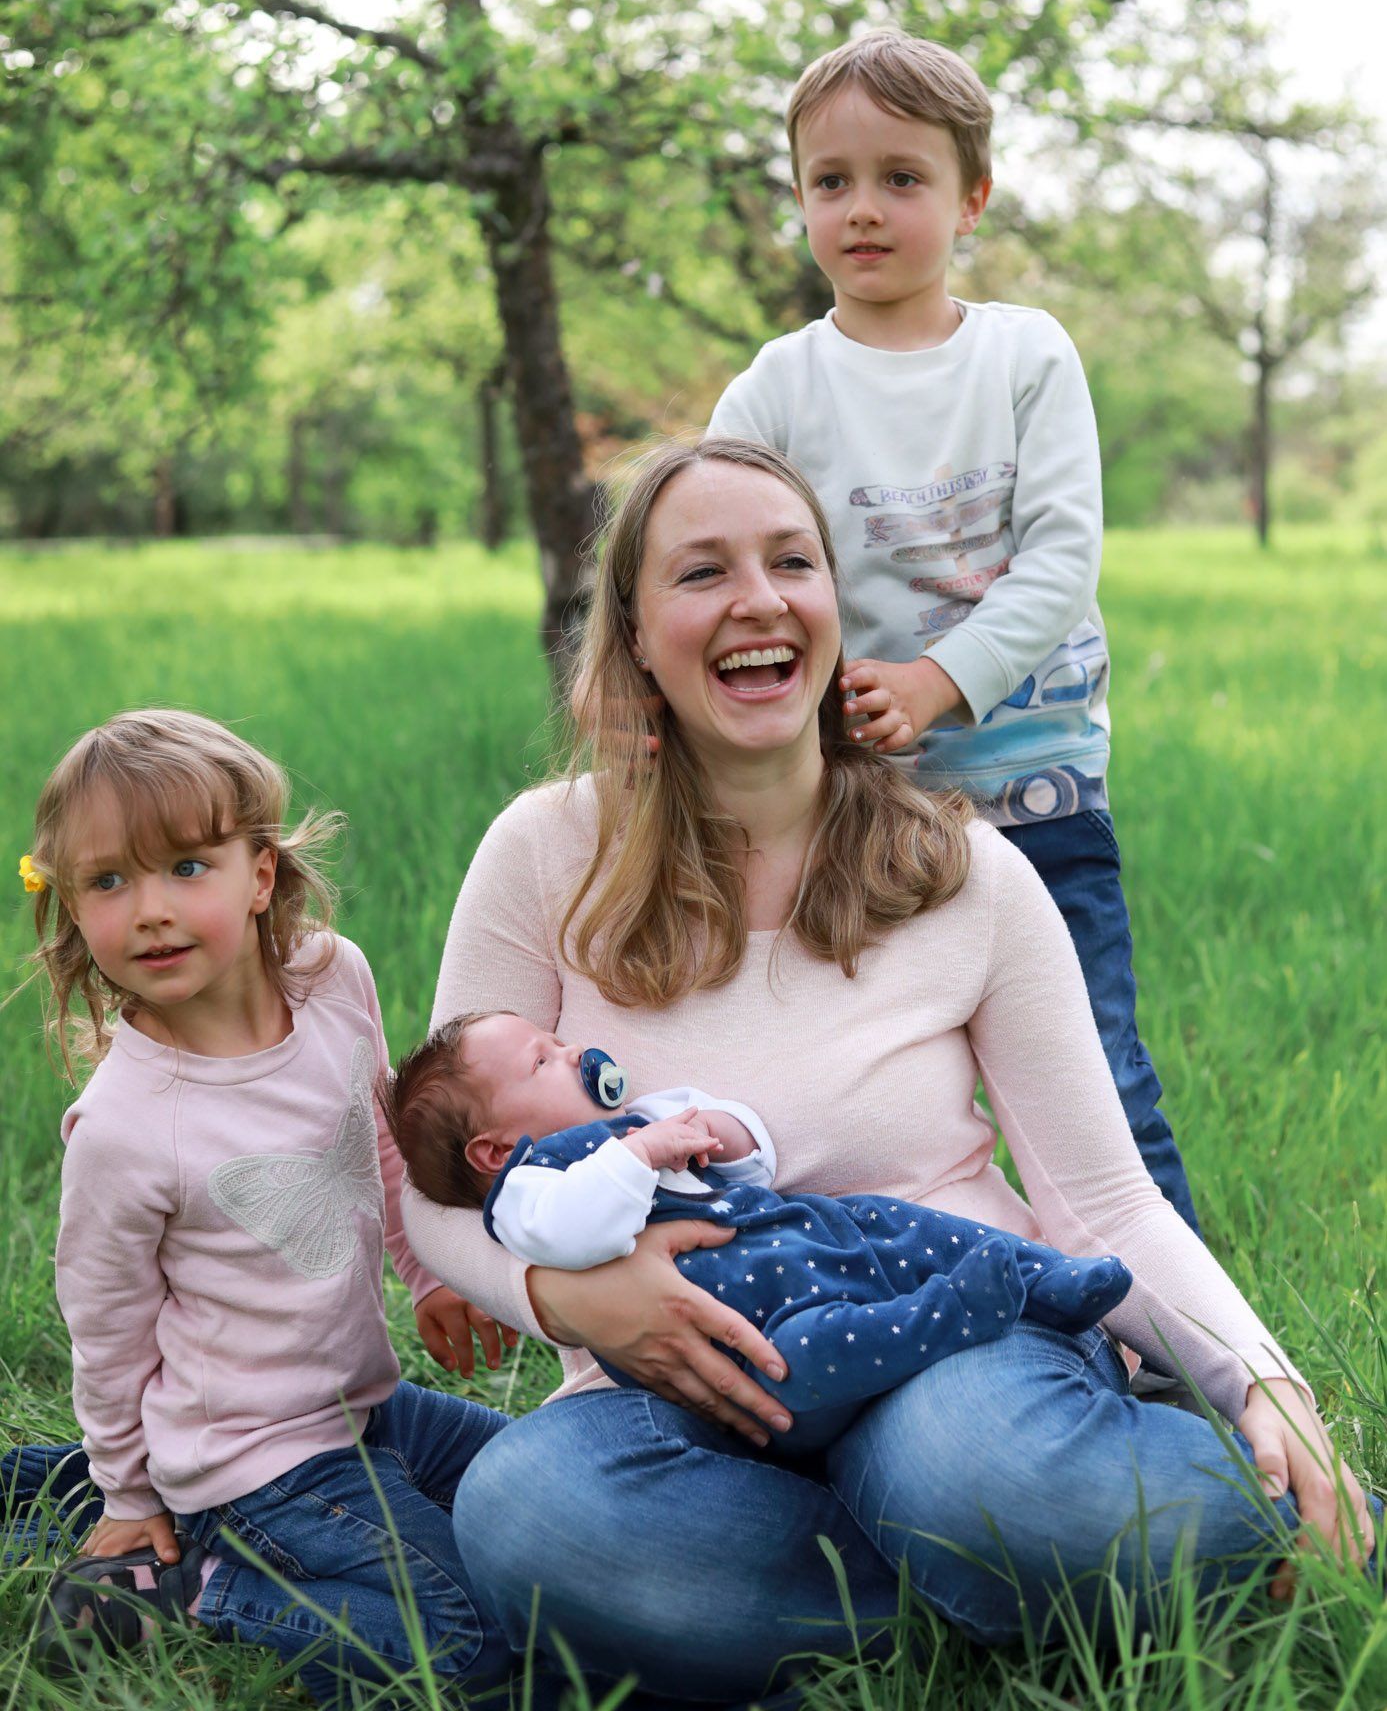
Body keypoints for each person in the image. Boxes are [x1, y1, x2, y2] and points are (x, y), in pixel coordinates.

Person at [401, 438, 1375, 1705]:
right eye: (702, 572)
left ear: (831, 606)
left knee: (975, 1473)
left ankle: (1197, 1520)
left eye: (790, 562)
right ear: (635, 633)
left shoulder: (961, 870)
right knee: (530, 1514)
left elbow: (1105, 1199)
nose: (757, 599)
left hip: (948, 1345)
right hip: (678, 1392)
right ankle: (991, 1605)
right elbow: (436, 1175)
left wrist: (1273, 1390)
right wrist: (565, 1302)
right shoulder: (544, 852)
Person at [706, 28, 1201, 1237]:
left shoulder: (1022, 354)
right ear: (800, 200)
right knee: (870, 1092)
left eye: (902, 178)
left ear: (970, 197)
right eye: (831, 182)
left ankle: (1188, 1354)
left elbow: (1059, 564)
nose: (861, 209)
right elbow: (712, 551)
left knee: (1097, 1088)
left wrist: (936, 682)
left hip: (1036, 801)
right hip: (856, 812)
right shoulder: (777, 386)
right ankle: (911, 1296)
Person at [9, 709, 514, 1704]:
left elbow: (376, 1132)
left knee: (533, 1500)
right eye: (108, 882)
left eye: (186, 866)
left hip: (359, 1409)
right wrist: (126, 1494)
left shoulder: (332, 979)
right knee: (461, 1639)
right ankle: (190, 1585)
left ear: (262, 875)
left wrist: (426, 1273)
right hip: (254, 1459)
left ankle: (53, 1485)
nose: (148, 909)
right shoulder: (124, 1126)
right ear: (71, 907)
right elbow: (107, 1329)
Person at [381, 1010, 1133, 1452]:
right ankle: (949, 1311)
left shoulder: (634, 1119)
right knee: (810, 1351)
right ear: (495, 1149)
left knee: (896, 1224)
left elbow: (748, 1165)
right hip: (750, 1329)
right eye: (544, 1059)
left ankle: (1043, 1276)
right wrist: (639, 1153)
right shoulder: (532, 1185)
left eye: (555, 1038)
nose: (573, 1050)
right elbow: (573, 1232)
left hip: (795, 1235)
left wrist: (721, 1132)